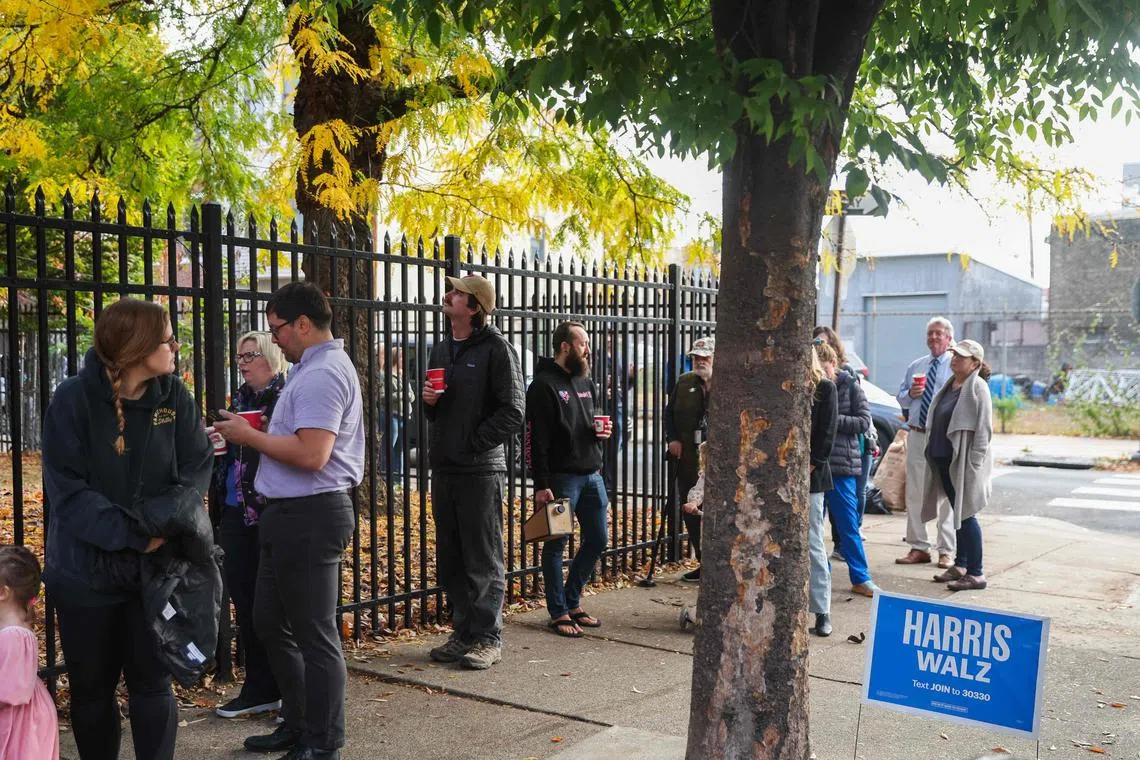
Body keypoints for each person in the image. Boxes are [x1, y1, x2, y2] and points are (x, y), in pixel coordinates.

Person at [41, 297, 215, 760]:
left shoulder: (174, 395)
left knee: (152, 683)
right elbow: (70, 493)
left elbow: (196, 467)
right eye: (165, 338)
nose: (175, 346)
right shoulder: (72, 400)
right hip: (86, 572)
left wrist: (163, 527)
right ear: (137, 347)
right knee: (92, 690)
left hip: (155, 572)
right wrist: (137, 533)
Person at [215, 283, 364, 760]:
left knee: (315, 635)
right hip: (287, 514)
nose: (274, 338)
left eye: (277, 328)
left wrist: (248, 437)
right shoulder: (308, 370)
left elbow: (313, 454)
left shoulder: (322, 374)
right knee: (270, 621)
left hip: (312, 513)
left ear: (303, 323)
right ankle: (297, 724)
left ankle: (322, 743)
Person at [422, 275, 524, 669]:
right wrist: (429, 402)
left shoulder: (497, 349)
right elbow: (435, 409)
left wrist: (473, 442)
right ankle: (462, 633)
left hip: (480, 470)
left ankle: (487, 637)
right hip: (445, 467)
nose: (448, 296)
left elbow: (513, 410)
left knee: (482, 556)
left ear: (475, 307)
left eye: (458, 293)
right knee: (452, 556)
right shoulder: (442, 348)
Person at [211, 331, 288, 719]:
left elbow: (288, 451)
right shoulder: (238, 399)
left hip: (269, 513)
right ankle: (259, 687)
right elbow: (229, 454)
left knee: (272, 609)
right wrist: (218, 441)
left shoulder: (284, 397)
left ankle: (282, 688)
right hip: (234, 511)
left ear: (272, 356)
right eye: (239, 356)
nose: (242, 362)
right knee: (244, 601)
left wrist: (251, 436)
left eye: (250, 355)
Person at [527, 321, 612, 638]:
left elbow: (589, 422)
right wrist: (541, 484)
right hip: (562, 480)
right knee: (556, 545)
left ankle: (573, 600)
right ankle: (558, 611)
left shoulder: (584, 380)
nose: (587, 349)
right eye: (583, 343)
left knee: (599, 539)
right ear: (565, 346)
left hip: (592, 476)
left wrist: (600, 432)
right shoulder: (543, 385)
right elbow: (536, 439)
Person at [922, 340, 994, 592]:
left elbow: (984, 431)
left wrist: (974, 466)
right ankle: (961, 564)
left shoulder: (978, 387)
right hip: (945, 460)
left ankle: (976, 572)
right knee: (958, 512)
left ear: (975, 363)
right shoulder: (951, 384)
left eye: (961, 357)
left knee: (967, 514)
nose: (954, 359)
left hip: (964, 464)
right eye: (954, 355)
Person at [817, 342, 880, 598]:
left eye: (824, 368)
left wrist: (832, 420)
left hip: (842, 465)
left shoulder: (851, 385)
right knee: (812, 528)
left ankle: (861, 577)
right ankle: (823, 575)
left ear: (834, 364)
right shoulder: (813, 386)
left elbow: (864, 421)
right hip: (817, 465)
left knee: (848, 525)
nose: (821, 373)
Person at [895, 317, 956, 569]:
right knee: (916, 491)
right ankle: (918, 546)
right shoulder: (916, 366)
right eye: (930, 334)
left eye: (938, 334)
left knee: (945, 494)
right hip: (918, 433)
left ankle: (946, 550)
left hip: (943, 437)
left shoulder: (956, 366)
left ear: (949, 338)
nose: (933, 338)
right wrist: (910, 394)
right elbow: (901, 399)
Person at [0, 546, 59, 760]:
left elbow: (11, 692)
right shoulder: (12, 628)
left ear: (3, 592)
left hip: (18, 722)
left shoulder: (13, 635)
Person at [664, 336, 714, 583]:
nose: (699, 361)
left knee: (713, 513)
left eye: (704, 357)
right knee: (690, 509)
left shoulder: (728, 385)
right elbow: (668, 413)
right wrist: (672, 438)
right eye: (695, 357)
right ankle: (703, 562)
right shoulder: (684, 382)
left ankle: (715, 563)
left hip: (714, 462)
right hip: (687, 459)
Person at [808, 345, 838, 636]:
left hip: (811, 479)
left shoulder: (825, 389)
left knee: (813, 542)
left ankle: (822, 610)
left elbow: (827, 433)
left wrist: (812, 464)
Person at [376, 345, 414, 475]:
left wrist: (403, 394)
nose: (404, 359)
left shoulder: (402, 375)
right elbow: (381, 397)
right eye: (402, 357)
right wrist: (402, 394)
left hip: (404, 416)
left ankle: (399, 479)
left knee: (401, 449)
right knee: (388, 448)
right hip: (390, 415)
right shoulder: (383, 375)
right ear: (395, 358)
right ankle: (384, 475)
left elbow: (412, 395)